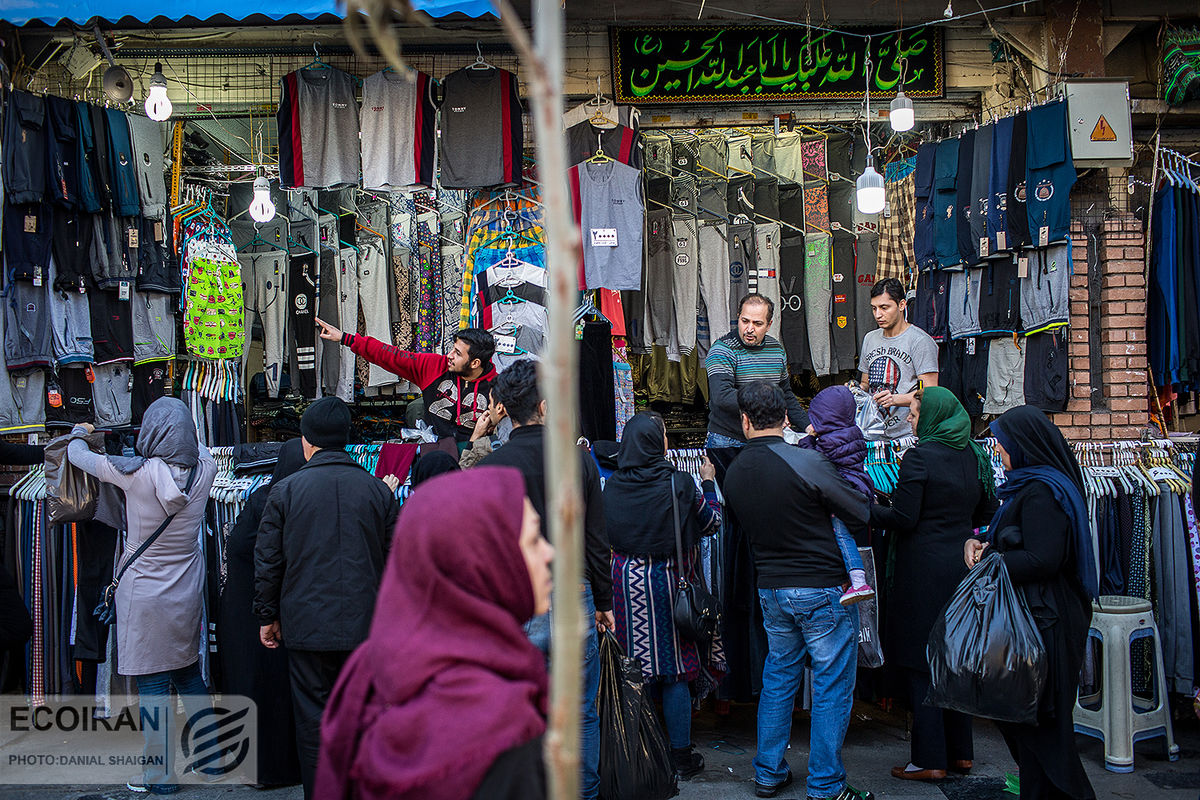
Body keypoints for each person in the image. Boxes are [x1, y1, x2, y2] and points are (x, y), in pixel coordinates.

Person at [315, 468, 553, 800]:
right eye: (532, 539)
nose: (548, 552)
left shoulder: (370, 670)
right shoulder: (500, 723)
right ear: (481, 560)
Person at [722, 382, 873, 800]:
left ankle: (768, 772)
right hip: (821, 587)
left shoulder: (733, 472)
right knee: (830, 684)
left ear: (745, 421)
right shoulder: (804, 461)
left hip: (772, 589)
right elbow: (858, 512)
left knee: (779, 680)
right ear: (786, 419)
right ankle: (825, 784)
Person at [66, 397, 217, 794]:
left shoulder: (136, 474)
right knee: (187, 672)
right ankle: (214, 759)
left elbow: (80, 458)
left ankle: (160, 777)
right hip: (186, 586)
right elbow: (192, 447)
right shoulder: (207, 468)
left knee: (152, 684)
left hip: (144, 590)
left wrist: (81, 434)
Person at [477, 358, 611, 800]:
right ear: (545, 405)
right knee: (579, 713)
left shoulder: (491, 468)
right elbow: (596, 540)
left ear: (505, 410)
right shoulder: (579, 460)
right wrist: (606, 603)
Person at [253, 397, 399, 800]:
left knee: (314, 724)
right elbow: (395, 564)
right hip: (365, 627)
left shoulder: (284, 492)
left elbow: (268, 562)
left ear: (307, 442)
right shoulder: (377, 491)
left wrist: (267, 615)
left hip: (306, 626)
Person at [965, 406, 1097, 800]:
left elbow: (1043, 558)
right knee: (1032, 728)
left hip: (1047, 624)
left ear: (1023, 446)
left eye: (1003, 446)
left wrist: (991, 560)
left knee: (1043, 730)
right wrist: (981, 543)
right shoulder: (1030, 485)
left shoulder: (1042, 493)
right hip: (1037, 618)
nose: (1000, 453)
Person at [869, 387, 997, 781]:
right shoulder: (974, 454)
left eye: (916, 412)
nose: (910, 418)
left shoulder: (920, 457)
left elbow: (905, 518)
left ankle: (929, 760)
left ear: (934, 416)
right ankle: (961, 753)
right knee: (952, 656)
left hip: (921, 569)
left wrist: (866, 508)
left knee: (922, 660)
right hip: (960, 565)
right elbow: (987, 509)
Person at [603, 412, 722, 780]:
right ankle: (681, 757)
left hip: (624, 589)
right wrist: (708, 485)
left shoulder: (613, 487)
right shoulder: (681, 484)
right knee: (674, 674)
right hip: (670, 587)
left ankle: (637, 754)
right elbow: (712, 523)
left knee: (632, 673)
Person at [216, 439, 305, 789]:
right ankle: (281, 766)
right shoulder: (291, 502)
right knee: (282, 690)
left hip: (245, 613)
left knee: (255, 687)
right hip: (273, 613)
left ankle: (257, 766)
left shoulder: (262, 499)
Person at [316, 317, 496, 443]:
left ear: (475, 363)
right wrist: (346, 338)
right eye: (452, 349)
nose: (449, 355)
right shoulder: (433, 366)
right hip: (435, 453)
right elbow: (391, 355)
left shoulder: (496, 388)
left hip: (475, 457)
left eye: (457, 353)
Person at [704, 293, 810, 455]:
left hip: (765, 439)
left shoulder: (776, 349)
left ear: (769, 325)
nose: (749, 329)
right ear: (738, 317)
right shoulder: (722, 350)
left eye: (758, 323)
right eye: (745, 321)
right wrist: (771, 407)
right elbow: (722, 397)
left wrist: (808, 425)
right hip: (728, 440)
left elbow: (785, 394)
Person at [800, 386, 877, 606]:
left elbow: (817, 462)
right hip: (855, 487)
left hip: (842, 492)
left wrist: (807, 440)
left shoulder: (831, 440)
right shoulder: (851, 431)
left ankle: (858, 579)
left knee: (841, 533)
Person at [858, 278, 939, 440]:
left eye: (884, 308)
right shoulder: (870, 338)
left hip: (907, 435)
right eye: (874, 308)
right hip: (872, 433)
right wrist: (853, 390)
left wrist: (895, 399)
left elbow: (931, 394)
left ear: (902, 305)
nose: (878, 315)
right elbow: (865, 384)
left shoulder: (920, 341)